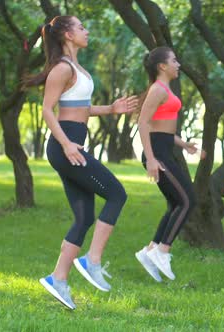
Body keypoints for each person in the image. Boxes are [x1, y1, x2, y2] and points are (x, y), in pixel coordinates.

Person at [24, 15, 138, 309]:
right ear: (66, 34)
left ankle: (57, 279)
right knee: (116, 194)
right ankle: (92, 259)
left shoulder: (76, 69)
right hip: (66, 146)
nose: (87, 32)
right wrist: (66, 145)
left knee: (85, 217)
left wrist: (111, 109)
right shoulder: (61, 68)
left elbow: (79, 108)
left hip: (71, 145)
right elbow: (48, 110)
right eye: (81, 28)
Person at [135, 46, 201, 282]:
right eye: (174, 60)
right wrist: (152, 159)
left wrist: (183, 144)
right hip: (157, 154)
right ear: (162, 66)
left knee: (176, 202)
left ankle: (150, 251)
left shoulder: (165, 90)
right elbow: (143, 124)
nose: (178, 64)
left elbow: (161, 127)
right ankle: (163, 251)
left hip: (164, 149)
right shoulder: (157, 90)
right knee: (187, 200)